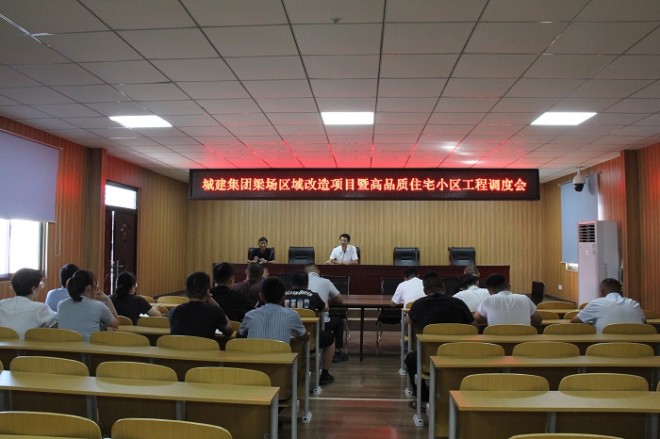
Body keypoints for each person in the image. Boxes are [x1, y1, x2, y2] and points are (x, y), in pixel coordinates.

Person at [404, 272, 473, 406]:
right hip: (458, 353)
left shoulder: (418, 304)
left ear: (425, 291)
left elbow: (409, 322)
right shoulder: (458, 303)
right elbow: (473, 326)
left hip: (428, 357)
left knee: (410, 359)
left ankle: (423, 398)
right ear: (444, 287)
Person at [284, 270, 336, 385]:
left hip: (285, 338)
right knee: (330, 338)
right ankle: (325, 374)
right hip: (309, 339)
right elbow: (325, 309)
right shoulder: (313, 296)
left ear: (291, 283)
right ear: (307, 284)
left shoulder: (283, 295)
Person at [238, 277, 309, 344]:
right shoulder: (292, 315)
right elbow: (305, 338)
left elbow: (239, 335)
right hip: (281, 353)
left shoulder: (250, 315)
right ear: (284, 296)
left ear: (261, 296)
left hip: (254, 353)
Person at [58, 269, 119, 341]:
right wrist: (107, 299)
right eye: (95, 286)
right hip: (89, 347)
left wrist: (101, 328)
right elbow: (116, 324)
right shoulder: (98, 306)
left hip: (65, 347)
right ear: (89, 288)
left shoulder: (61, 305)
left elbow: (79, 327)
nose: (96, 289)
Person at [169, 271, 233, 339]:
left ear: (186, 290)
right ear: (207, 291)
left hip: (179, 346)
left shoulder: (173, 311)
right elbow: (229, 331)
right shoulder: (215, 311)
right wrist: (217, 306)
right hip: (204, 346)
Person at [305, 263, 347, 362]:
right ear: (318, 272)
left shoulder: (301, 283)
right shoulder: (325, 282)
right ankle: (337, 352)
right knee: (338, 321)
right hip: (322, 323)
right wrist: (327, 298)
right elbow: (340, 300)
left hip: (303, 324)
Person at [570, 278, 645, 333]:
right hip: (637, 347)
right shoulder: (634, 303)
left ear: (602, 291)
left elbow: (574, 321)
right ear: (621, 292)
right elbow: (644, 322)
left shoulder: (596, 303)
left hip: (605, 347)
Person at [0, 268, 57, 338]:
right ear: (33, 289)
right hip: (30, 344)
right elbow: (57, 321)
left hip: (4, 344)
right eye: (41, 284)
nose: (42, 286)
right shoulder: (40, 308)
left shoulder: (1, 304)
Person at [474, 273, 541, 326]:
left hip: (496, 338)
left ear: (489, 290)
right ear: (508, 286)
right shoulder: (525, 298)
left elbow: (477, 318)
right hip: (523, 338)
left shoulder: (488, 300)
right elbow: (537, 319)